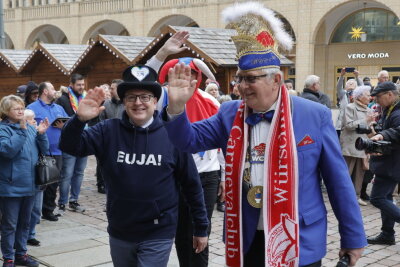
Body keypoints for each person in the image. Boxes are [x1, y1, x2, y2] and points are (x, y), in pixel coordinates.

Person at [162, 2, 366, 266]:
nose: (241, 87)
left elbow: (338, 182)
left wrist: (352, 237)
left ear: (276, 80)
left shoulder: (314, 115)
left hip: (298, 237)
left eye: (250, 79)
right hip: (246, 236)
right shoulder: (228, 113)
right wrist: (176, 109)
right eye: (239, 79)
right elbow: (186, 140)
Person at [58, 65, 209, 267]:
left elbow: (191, 184)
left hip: (159, 231)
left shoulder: (173, 134)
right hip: (121, 230)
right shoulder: (107, 131)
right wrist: (78, 120)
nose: (138, 103)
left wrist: (201, 228)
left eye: (145, 97)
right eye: (131, 97)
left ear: (155, 101)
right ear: (124, 102)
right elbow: (68, 146)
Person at [0, 95, 49, 267]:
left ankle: (21, 254)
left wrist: (41, 134)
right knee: (9, 225)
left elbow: (45, 150)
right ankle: (8, 257)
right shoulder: (3, 129)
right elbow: (7, 151)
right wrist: (21, 130)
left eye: (22, 107)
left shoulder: (29, 127)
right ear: (6, 111)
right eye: (16, 108)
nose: (21, 111)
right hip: (11, 187)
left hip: (30, 185)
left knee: (25, 223)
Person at [27, 81, 68, 222]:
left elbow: (67, 123)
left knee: (53, 182)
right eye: (52, 88)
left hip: (58, 150)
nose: (55, 90)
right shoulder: (32, 108)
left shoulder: (59, 108)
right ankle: (34, 212)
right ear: (45, 91)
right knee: (40, 181)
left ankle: (48, 210)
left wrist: (64, 125)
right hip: (40, 151)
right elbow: (27, 127)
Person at [366, 81, 400, 245]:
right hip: (388, 162)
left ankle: (388, 233)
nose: (376, 100)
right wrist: (373, 128)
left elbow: (397, 131)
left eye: (378, 97)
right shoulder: (389, 109)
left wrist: (382, 135)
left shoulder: (398, 111)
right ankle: (387, 234)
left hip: (392, 163)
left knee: (377, 198)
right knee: (385, 196)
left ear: (390, 94)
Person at [56, 73, 88, 214]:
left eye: (83, 84)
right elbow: (57, 119)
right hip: (69, 141)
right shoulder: (63, 100)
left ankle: (73, 201)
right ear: (71, 85)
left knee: (79, 173)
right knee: (67, 174)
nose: (81, 87)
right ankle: (62, 203)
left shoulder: (86, 99)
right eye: (78, 85)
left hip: (85, 139)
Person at [339, 86, 375, 206]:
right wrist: (365, 120)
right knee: (346, 172)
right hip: (350, 146)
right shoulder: (350, 107)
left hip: (362, 145)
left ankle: (356, 196)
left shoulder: (369, 110)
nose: (370, 97)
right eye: (368, 95)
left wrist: (374, 129)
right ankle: (342, 196)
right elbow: (348, 125)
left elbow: (369, 130)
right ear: (360, 96)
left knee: (360, 173)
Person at [335, 67, 363, 137]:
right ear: (345, 86)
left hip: (355, 122)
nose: (350, 84)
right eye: (349, 83)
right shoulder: (343, 94)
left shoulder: (358, 95)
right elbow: (338, 87)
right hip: (342, 124)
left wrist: (357, 77)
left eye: (352, 83)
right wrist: (341, 76)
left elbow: (362, 88)